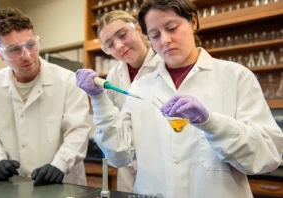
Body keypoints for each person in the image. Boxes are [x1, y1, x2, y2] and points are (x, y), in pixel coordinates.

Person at [76, 0, 283, 197]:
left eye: (172, 28)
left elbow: (267, 157)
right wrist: (99, 99)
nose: (165, 40)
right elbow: (118, 156)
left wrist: (211, 123)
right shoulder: (141, 86)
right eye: (155, 35)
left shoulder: (235, 76)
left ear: (193, 22)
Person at [0, 7, 91, 186]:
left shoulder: (67, 81)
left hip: (64, 184)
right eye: (14, 49)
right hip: (12, 185)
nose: (26, 56)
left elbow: (78, 131)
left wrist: (59, 164)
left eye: (30, 45)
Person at [96, 10, 163, 192]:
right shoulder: (113, 76)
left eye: (123, 35)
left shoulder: (164, 62)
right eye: (109, 44)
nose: (118, 45)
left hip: (164, 162)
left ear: (139, 29)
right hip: (128, 167)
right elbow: (114, 122)